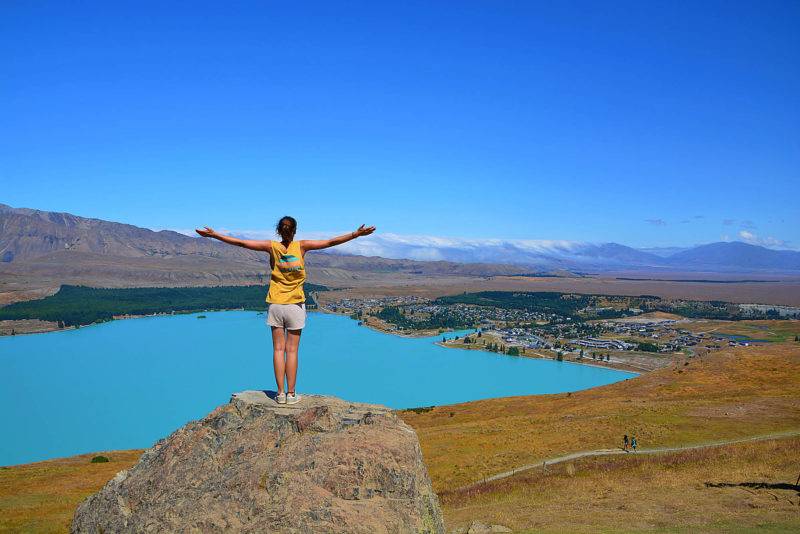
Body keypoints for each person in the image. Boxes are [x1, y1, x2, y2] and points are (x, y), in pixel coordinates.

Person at [196, 216, 376, 405]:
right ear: (295, 231)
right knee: (292, 351)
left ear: (278, 231)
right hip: (295, 305)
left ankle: (280, 394)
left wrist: (214, 235)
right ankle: (291, 394)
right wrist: (356, 234)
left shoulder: (271, 247)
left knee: (278, 349)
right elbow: (330, 242)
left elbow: (241, 243)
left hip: (275, 305)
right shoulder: (302, 246)